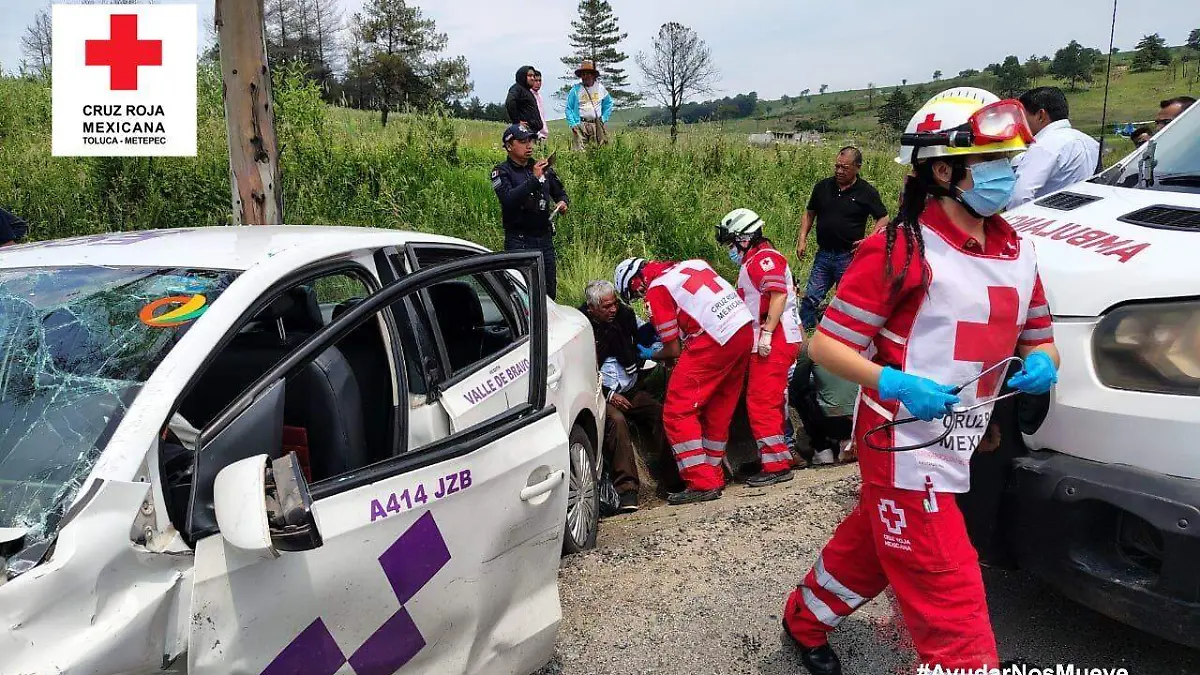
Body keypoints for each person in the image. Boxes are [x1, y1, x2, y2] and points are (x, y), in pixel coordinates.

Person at [779, 87, 1061, 675]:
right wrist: (896, 383)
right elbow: (826, 344)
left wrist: (1045, 364)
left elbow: (1039, 336)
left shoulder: (1022, 250)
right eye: (994, 163)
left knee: (874, 545)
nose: (1008, 174)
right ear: (942, 170)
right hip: (903, 446)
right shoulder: (900, 247)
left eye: (1012, 160)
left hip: (965, 436)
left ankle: (803, 619)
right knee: (952, 604)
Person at [614, 256, 753, 506]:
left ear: (635, 281)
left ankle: (701, 482)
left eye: (634, 294)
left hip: (712, 340)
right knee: (718, 407)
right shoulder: (692, 264)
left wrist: (650, 354)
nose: (639, 298)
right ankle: (713, 473)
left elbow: (673, 349)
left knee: (677, 411)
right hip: (741, 330)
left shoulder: (657, 288)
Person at [717, 208, 803, 487]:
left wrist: (766, 333)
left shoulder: (763, 259)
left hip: (774, 338)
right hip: (772, 337)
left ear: (744, 237)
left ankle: (776, 464)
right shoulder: (756, 259)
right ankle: (775, 456)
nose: (731, 249)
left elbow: (777, 295)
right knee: (767, 400)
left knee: (762, 401)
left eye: (732, 243)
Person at [580, 280, 678, 512]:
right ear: (592, 308)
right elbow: (581, 371)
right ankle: (627, 492)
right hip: (601, 393)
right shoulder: (582, 329)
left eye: (614, 304)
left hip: (632, 387)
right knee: (617, 422)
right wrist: (609, 394)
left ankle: (674, 480)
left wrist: (655, 345)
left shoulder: (626, 316)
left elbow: (648, 335)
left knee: (661, 414)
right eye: (606, 307)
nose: (613, 310)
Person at [796, 147, 890, 330]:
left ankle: (840, 336)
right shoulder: (823, 187)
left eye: (845, 167)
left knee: (847, 299)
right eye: (837, 166)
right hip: (824, 254)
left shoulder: (866, 192)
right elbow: (809, 213)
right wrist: (802, 238)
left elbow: (883, 217)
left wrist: (869, 240)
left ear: (857, 167)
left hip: (849, 256)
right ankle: (805, 336)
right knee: (811, 297)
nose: (839, 171)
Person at [491, 123, 568, 299]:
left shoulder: (541, 167)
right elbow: (509, 200)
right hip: (520, 240)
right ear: (509, 146)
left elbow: (560, 192)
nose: (529, 145)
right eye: (523, 141)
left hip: (544, 239)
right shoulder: (501, 172)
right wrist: (534, 179)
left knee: (549, 294)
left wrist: (562, 202)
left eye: (531, 141)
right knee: (522, 294)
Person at [1009, 87, 1100, 209]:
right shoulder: (1090, 142)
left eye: (1022, 117)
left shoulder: (1043, 146)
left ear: (1041, 115)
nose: (1019, 123)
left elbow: (1019, 197)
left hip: (1043, 222)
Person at [789, 339, 857, 466]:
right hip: (861, 419)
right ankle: (848, 441)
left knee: (801, 395)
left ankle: (822, 449)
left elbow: (798, 385)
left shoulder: (811, 345)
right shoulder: (859, 339)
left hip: (835, 422)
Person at [565, 60, 612, 150]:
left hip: (596, 124)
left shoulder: (600, 88)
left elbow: (609, 104)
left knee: (597, 150)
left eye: (587, 74)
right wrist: (573, 124)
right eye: (583, 74)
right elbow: (569, 109)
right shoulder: (575, 90)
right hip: (580, 124)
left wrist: (604, 118)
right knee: (580, 152)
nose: (585, 76)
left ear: (593, 75)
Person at [505, 66, 544, 138]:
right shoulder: (517, 88)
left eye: (533, 76)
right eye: (529, 76)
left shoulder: (527, 91)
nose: (532, 78)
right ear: (522, 76)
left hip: (533, 132)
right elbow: (510, 102)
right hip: (525, 132)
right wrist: (517, 122)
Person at [530, 69, 549, 142]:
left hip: (543, 133)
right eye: (535, 81)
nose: (538, 83)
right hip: (534, 134)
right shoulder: (528, 96)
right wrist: (537, 133)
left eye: (540, 80)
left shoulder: (539, 96)